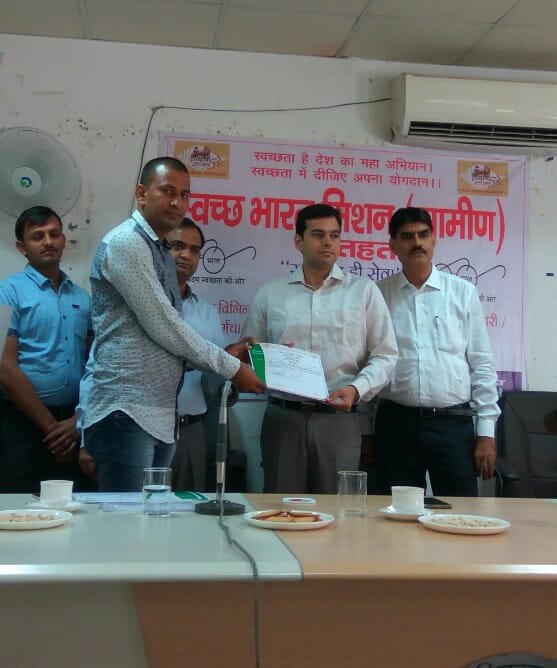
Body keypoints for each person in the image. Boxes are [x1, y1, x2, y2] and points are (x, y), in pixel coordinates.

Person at [82, 157, 264, 492]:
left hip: (160, 414)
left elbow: (165, 341)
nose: (177, 202)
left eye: (184, 194)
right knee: (126, 518)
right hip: (128, 408)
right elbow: (164, 326)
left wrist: (227, 358)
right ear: (142, 194)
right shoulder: (127, 243)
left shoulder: (160, 251)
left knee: (154, 517)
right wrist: (231, 368)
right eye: (167, 191)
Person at [241, 203, 397, 494]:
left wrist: (356, 390)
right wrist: (255, 364)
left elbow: (386, 355)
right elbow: (251, 352)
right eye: (318, 234)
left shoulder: (363, 291)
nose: (328, 242)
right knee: (282, 506)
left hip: (339, 422)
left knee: (336, 508)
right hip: (284, 418)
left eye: (334, 235)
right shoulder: (271, 294)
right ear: (298, 241)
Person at [374, 206, 500, 497]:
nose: (417, 242)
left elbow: (481, 364)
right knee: (398, 513)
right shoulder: (378, 295)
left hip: (453, 425)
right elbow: (370, 362)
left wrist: (486, 432)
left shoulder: (462, 293)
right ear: (393, 245)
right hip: (396, 425)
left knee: (459, 511)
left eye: (423, 235)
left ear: (434, 240)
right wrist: (366, 431)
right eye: (407, 237)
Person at [0, 206, 93, 493]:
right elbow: (5, 367)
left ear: (64, 239)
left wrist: (77, 422)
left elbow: (94, 364)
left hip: (75, 425)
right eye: (38, 236)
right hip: (23, 424)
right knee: (21, 507)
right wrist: (52, 428)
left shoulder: (82, 298)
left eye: (54, 234)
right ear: (22, 247)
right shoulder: (7, 293)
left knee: (75, 508)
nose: (48, 241)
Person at [167, 217, 244, 492]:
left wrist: (235, 366)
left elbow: (212, 381)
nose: (186, 255)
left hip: (191, 430)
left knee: (188, 511)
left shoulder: (207, 313)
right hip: (143, 430)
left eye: (194, 250)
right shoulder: (139, 302)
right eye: (177, 246)